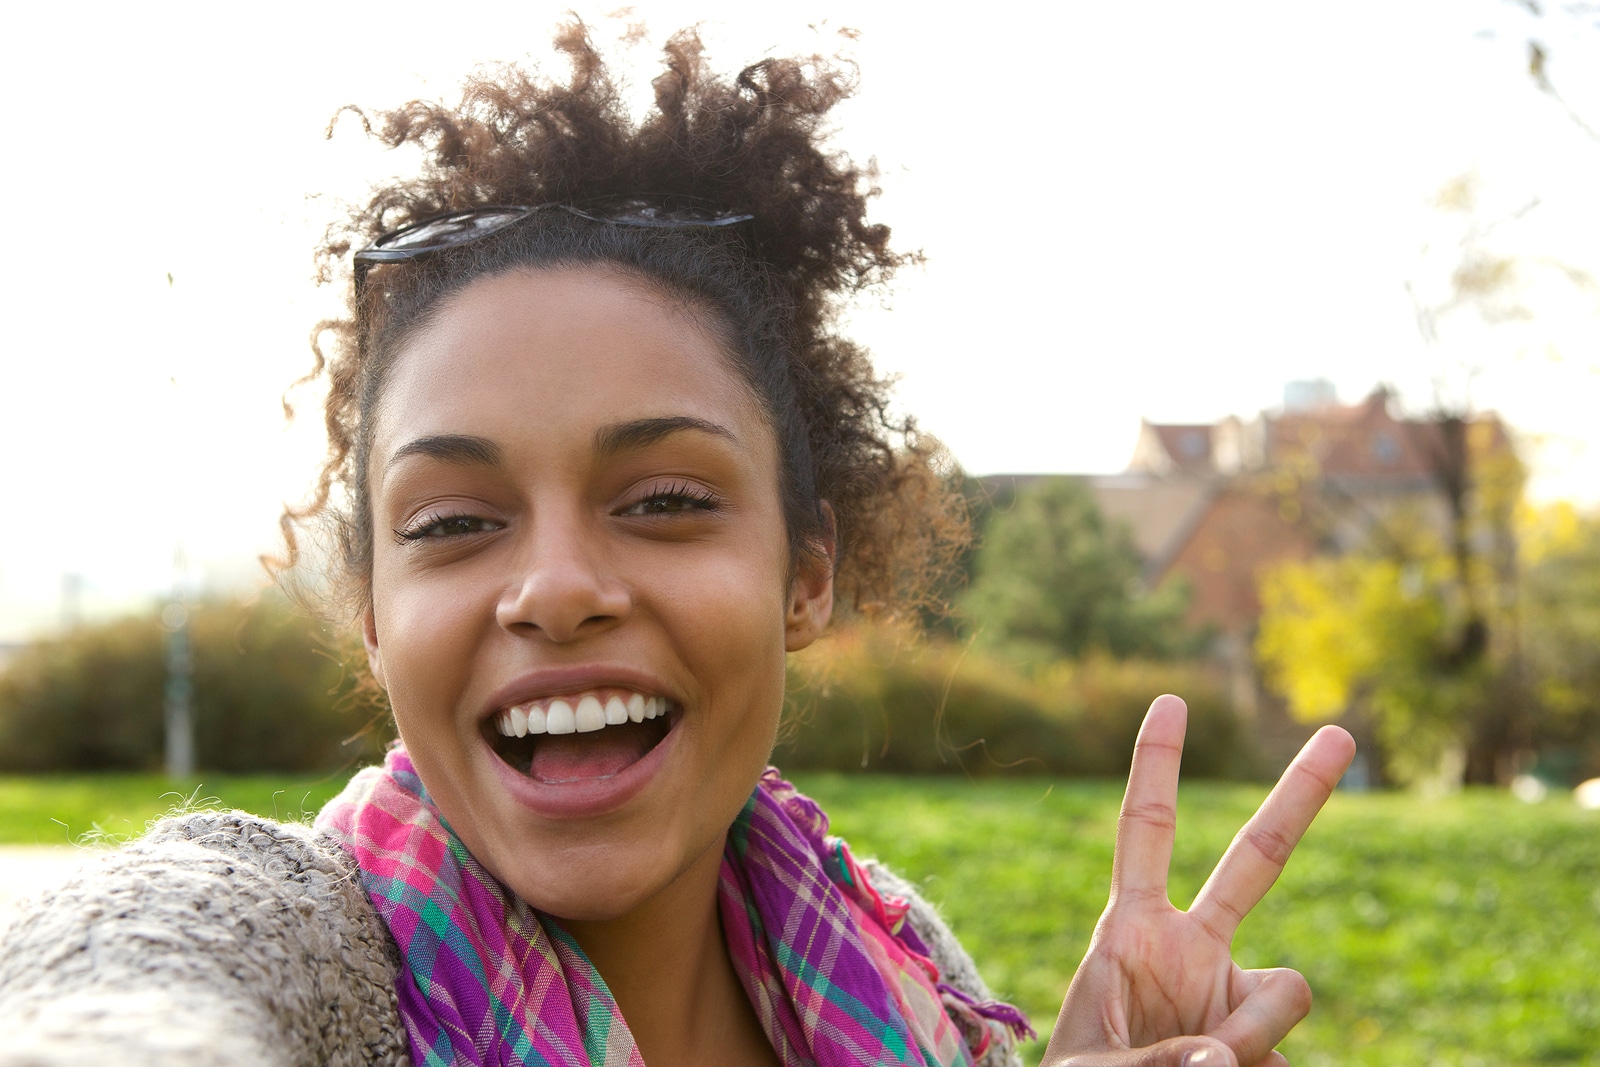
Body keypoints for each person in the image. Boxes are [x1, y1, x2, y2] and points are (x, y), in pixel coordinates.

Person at [0, 23, 1354, 1067]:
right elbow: (120, 987)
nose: (556, 589)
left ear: (805, 573)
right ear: (372, 612)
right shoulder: (289, 943)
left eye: (661, 500)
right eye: (455, 524)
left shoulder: (906, 971)